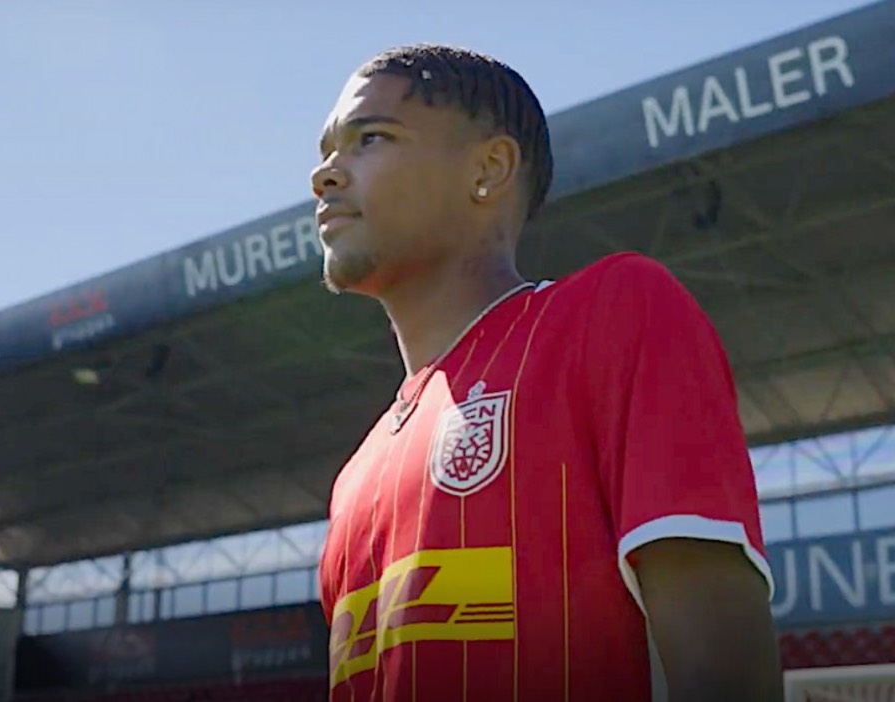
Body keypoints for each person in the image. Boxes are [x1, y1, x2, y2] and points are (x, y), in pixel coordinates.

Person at [312, 44, 782, 702]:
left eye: (370, 138)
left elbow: (728, 674)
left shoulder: (615, 314)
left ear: (489, 168)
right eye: (327, 150)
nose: (324, 175)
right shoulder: (354, 479)